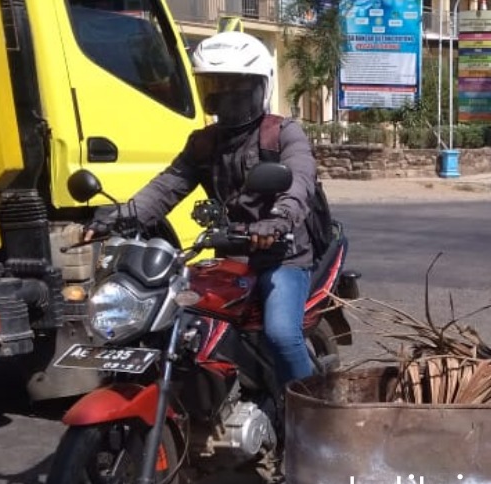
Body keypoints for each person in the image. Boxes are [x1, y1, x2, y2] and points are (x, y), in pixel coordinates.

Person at [86, 31, 320, 387]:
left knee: (281, 334)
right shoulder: (204, 142)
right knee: (172, 317)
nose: (225, 97)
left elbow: (299, 179)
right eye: (216, 86)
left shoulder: (283, 133)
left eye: (236, 87)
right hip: (230, 254)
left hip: (282, 254)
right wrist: (119, 216)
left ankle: (314, 417)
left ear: (259, 88)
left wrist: (277, 219)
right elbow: (168, 186)